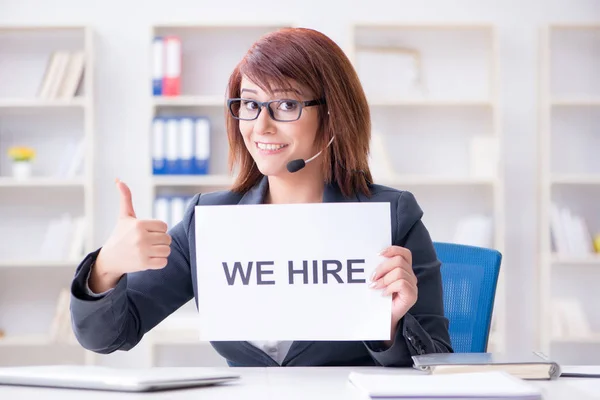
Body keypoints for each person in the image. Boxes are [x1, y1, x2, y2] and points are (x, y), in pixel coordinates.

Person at [70, 27, 452, 367]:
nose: (261, 126)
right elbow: (107, 337)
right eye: (250, 104)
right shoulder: (209, 220)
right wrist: (106, 268)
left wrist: (387, 327)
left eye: (286, 105)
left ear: (334, 114)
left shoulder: (391, 217)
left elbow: (437, 362)